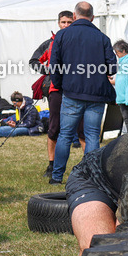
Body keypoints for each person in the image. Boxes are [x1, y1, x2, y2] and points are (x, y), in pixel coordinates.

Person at [49, 1, 116, 184]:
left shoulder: (62, 35)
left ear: (74, 15)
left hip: (71, 93)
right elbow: (112, 68)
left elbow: (54, 66)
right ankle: (91, 177)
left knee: (65, 135)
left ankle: (56, 176)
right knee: (92, 136)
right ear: (92, 17)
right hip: (96, 94)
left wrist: (60, 85)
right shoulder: (102, 38)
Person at [30, 11, 84, 179]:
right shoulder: (50, 43)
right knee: (54, 128)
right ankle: (51, 165)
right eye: (63, 22)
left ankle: (89, 165)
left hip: (77, 90)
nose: (66, 25)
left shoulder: (80, 41)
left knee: (82, 129)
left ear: (74, 22)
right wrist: (48, 71)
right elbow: (34, 61)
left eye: (69, 22)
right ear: (58, 23)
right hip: (56, 91)